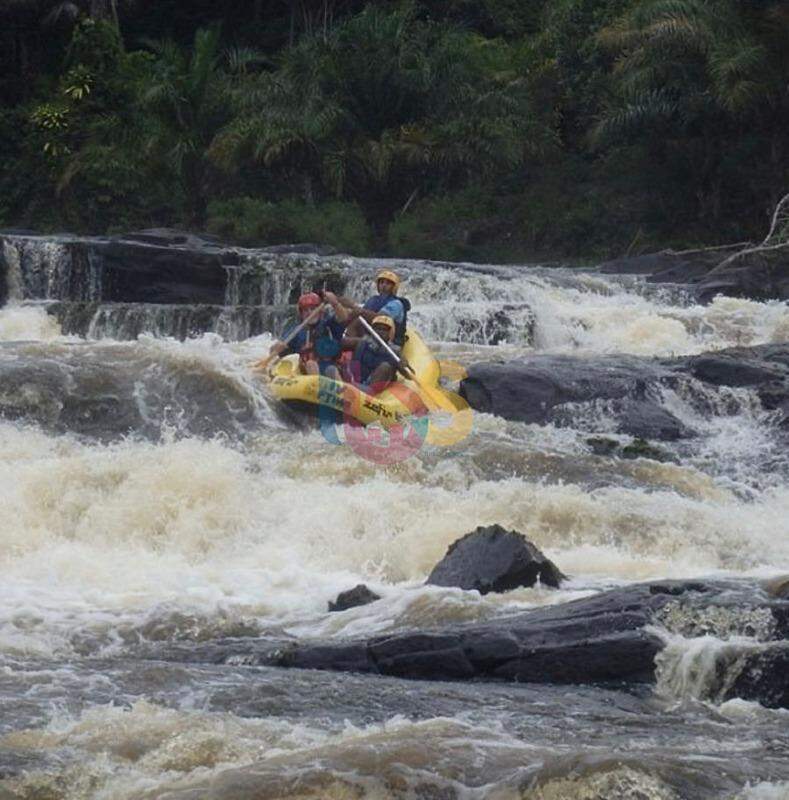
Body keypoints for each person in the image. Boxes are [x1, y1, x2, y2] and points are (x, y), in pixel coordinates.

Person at [265, 290, 349, 377]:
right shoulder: (296, 332)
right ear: (301, 314)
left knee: (331, 370)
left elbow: (344, 317)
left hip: (332, 371)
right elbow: (276, 349)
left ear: (320, 311)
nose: (309, 312)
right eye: (306, 310)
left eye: (313, 309)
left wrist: (335, 303)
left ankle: (338, 388)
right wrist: (276, 348)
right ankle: (317, 385)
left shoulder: (329, 325)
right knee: (311, 364)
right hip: (306, 377)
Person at [342, 269, 410, 347]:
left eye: (388, 283)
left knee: (358, 320)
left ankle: (349, 343)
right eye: (381, 282)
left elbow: (380, 318)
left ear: (394, 287)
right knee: (356, 321)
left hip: (388, 339)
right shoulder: (373, 299)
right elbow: (360, 314)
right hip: (373, 334)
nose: (384, 285)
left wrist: (354, 307)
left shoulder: (396, 304)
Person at [344, 314, 404, 389]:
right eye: (378, 329)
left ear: (390, 333)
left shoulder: (396, 351)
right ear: (372, 330)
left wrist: (403, 365)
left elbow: (408, 375)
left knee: (385, 367)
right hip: (355, 378)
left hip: (373, 385)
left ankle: (367, 390)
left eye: (384, 329)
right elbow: (342, 342)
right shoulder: (362, 341)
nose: (380, 332)